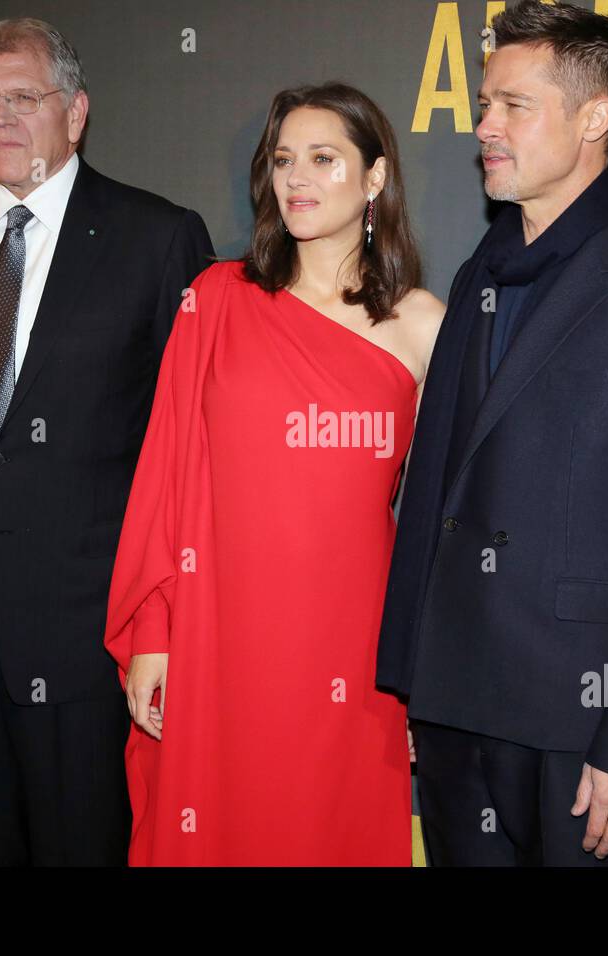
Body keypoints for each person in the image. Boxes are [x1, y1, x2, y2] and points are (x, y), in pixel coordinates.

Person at [377, 0, 608, 866]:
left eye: (513, 105)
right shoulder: (479, 270)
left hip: (581, 735)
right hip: (456, 713)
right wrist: (409, 685)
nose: (484, 127)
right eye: (483, 103)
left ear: (594, 118)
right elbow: (434, 481)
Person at [0, 17, 213, 865]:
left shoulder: (158, 237)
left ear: (76, 112)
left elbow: (180, 441)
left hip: (89, 632)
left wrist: (157, 622)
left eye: (23, 98)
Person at [104, 82, 445, 865]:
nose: (298, 178)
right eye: (284, 159)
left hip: (353, 648)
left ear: (375, 178)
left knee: (329, 830)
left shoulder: (423, 325)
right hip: (218, 634)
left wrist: (422, 675)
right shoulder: (215, 300)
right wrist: (153, 632)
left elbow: (436, 524)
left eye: (325, 159)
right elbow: (167, 474)